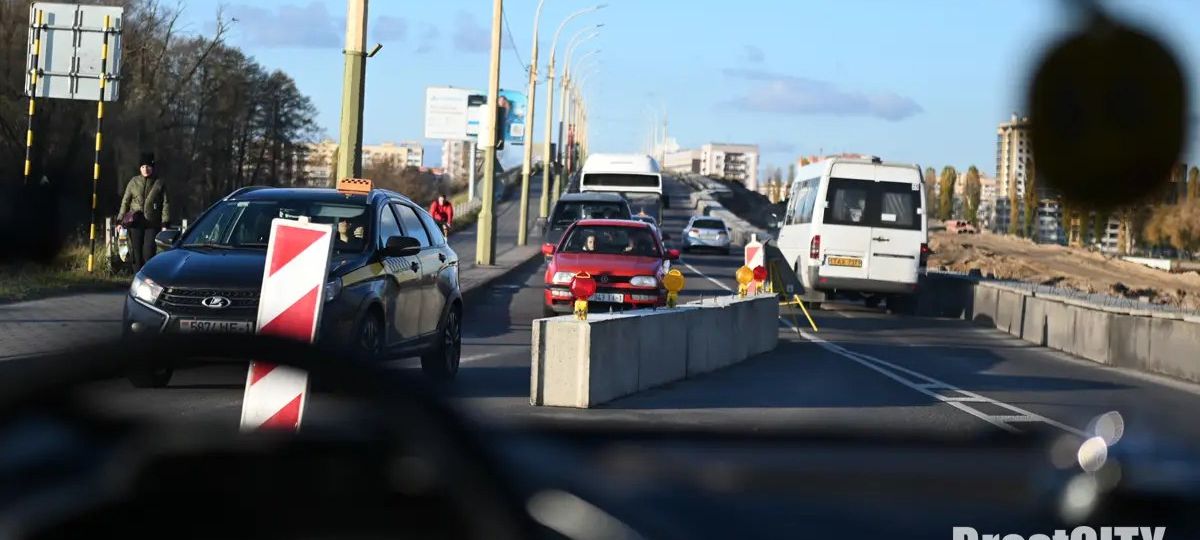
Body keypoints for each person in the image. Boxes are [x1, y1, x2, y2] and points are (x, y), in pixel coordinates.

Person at [119, 153, 170, 272]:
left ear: (152, 167)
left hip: (152, 224)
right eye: (142, 167)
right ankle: (138, 278)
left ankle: (148, 277)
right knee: (136, 255)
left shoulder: (159, 183)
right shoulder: (133, 182)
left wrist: (165, 223)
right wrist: (120, 220)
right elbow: (125, 201)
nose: (145, 169)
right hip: (135, 223)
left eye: (148, 166)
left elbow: (166, 203)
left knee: (148, 253)